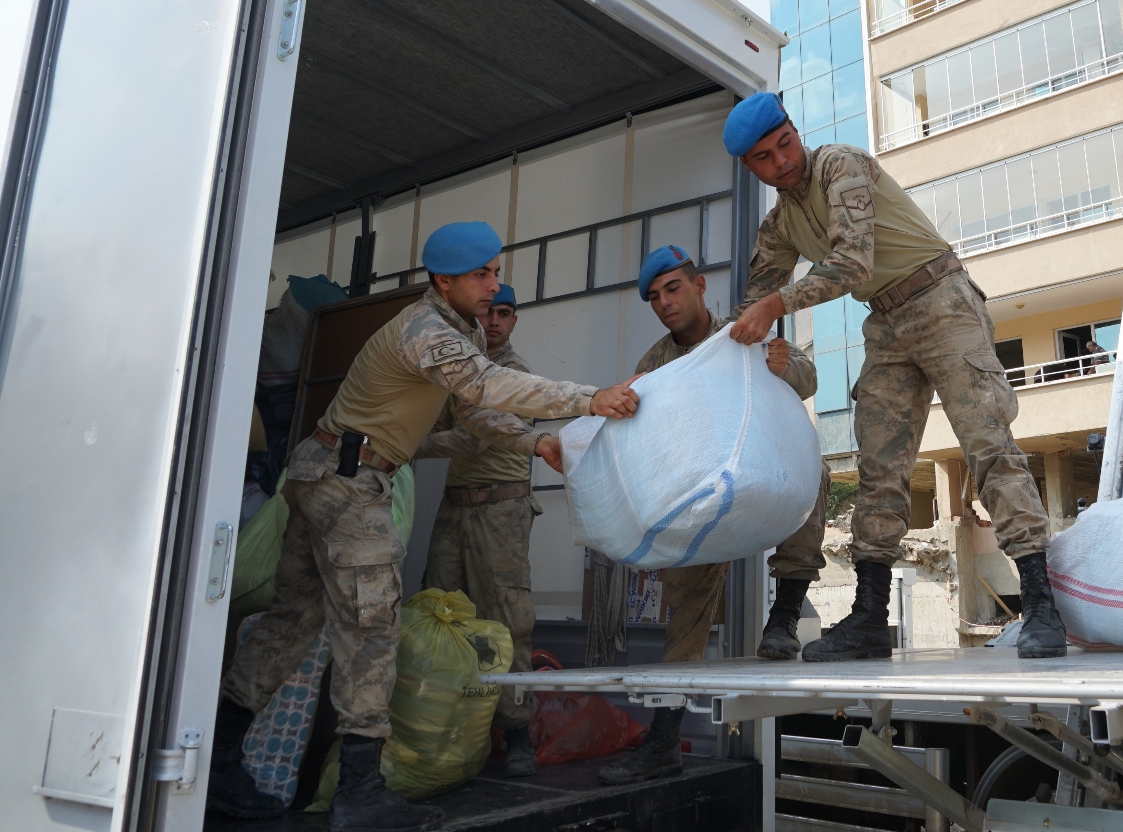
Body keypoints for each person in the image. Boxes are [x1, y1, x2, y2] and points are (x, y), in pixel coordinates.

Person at [209, 222, 641, 830]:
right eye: (482, 275)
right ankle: (359, 793)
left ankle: (220, 762)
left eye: (496, 271)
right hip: (349, 482)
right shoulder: (424, 330)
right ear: (444, 280)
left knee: (294, 620)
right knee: (372, 628)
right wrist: (589, 397)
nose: (494, 285)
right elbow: (490, 384)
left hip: (326, 472)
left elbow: (476, 414)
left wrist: (538, 441)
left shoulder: (455, 327)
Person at [723, 93, 1068, 661]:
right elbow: (756, 299)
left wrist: (775, 304)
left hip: (941, 300)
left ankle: (1039, 603)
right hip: (884, 320)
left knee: (987, 445)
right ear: (751, 167)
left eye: (785, 142)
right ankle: (868, 618)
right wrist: (737, 336)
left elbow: (851, 264)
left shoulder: (841, 165)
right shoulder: (780, 224)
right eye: (765, 156)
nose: (782, 160)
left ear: (794, 130)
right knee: (878, 469)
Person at [597, 244, 829, 786]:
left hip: (758, 466)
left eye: (673, 288)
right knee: (686, 615)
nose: (665, 302)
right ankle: (663, 741)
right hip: (704, 495)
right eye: (654, 297)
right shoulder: (654, 364)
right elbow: (643, 438)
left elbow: (808, 380)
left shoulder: (742, 332)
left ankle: (785, 617)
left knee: (811, 477)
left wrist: (784, 363)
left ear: (699, 287)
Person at [411, 283, 560, 779]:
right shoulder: (463, 369)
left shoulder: (511, 374)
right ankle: (445, 724)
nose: (495, 321)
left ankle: (516, 732)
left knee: (505, 621)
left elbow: (474, 441)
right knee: (440, 612)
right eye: (489, 312)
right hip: (456, 507)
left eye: (506, 314)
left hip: (501, 509)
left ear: (514, 321)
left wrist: (405, 443)